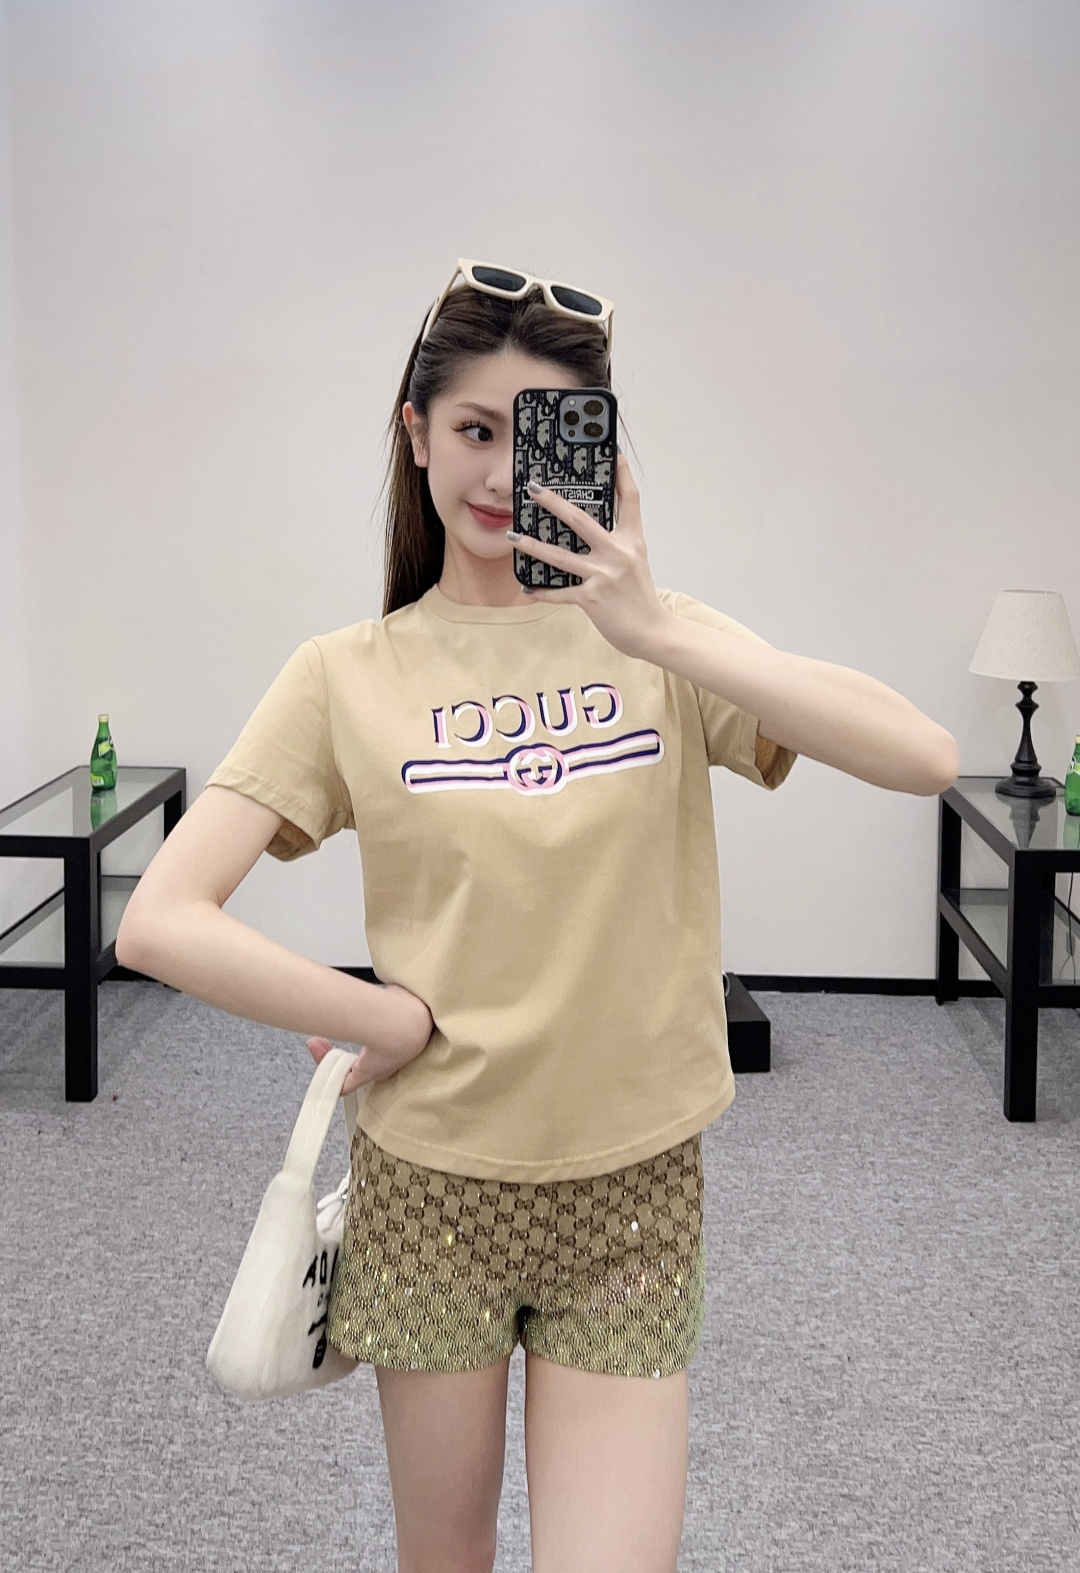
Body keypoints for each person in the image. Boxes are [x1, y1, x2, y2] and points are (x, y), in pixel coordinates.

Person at [116, 260, 958, 1573]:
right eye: (473, 430)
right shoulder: (347, 674)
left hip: (633, 1188)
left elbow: (925, 756)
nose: (504, 473)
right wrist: (375, 1017)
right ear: (415, 434)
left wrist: (657, 626)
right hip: (432, 1185)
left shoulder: (661, 643)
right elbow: (161, 918)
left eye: (541, 435)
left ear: (600, 451)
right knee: (445, 1557)